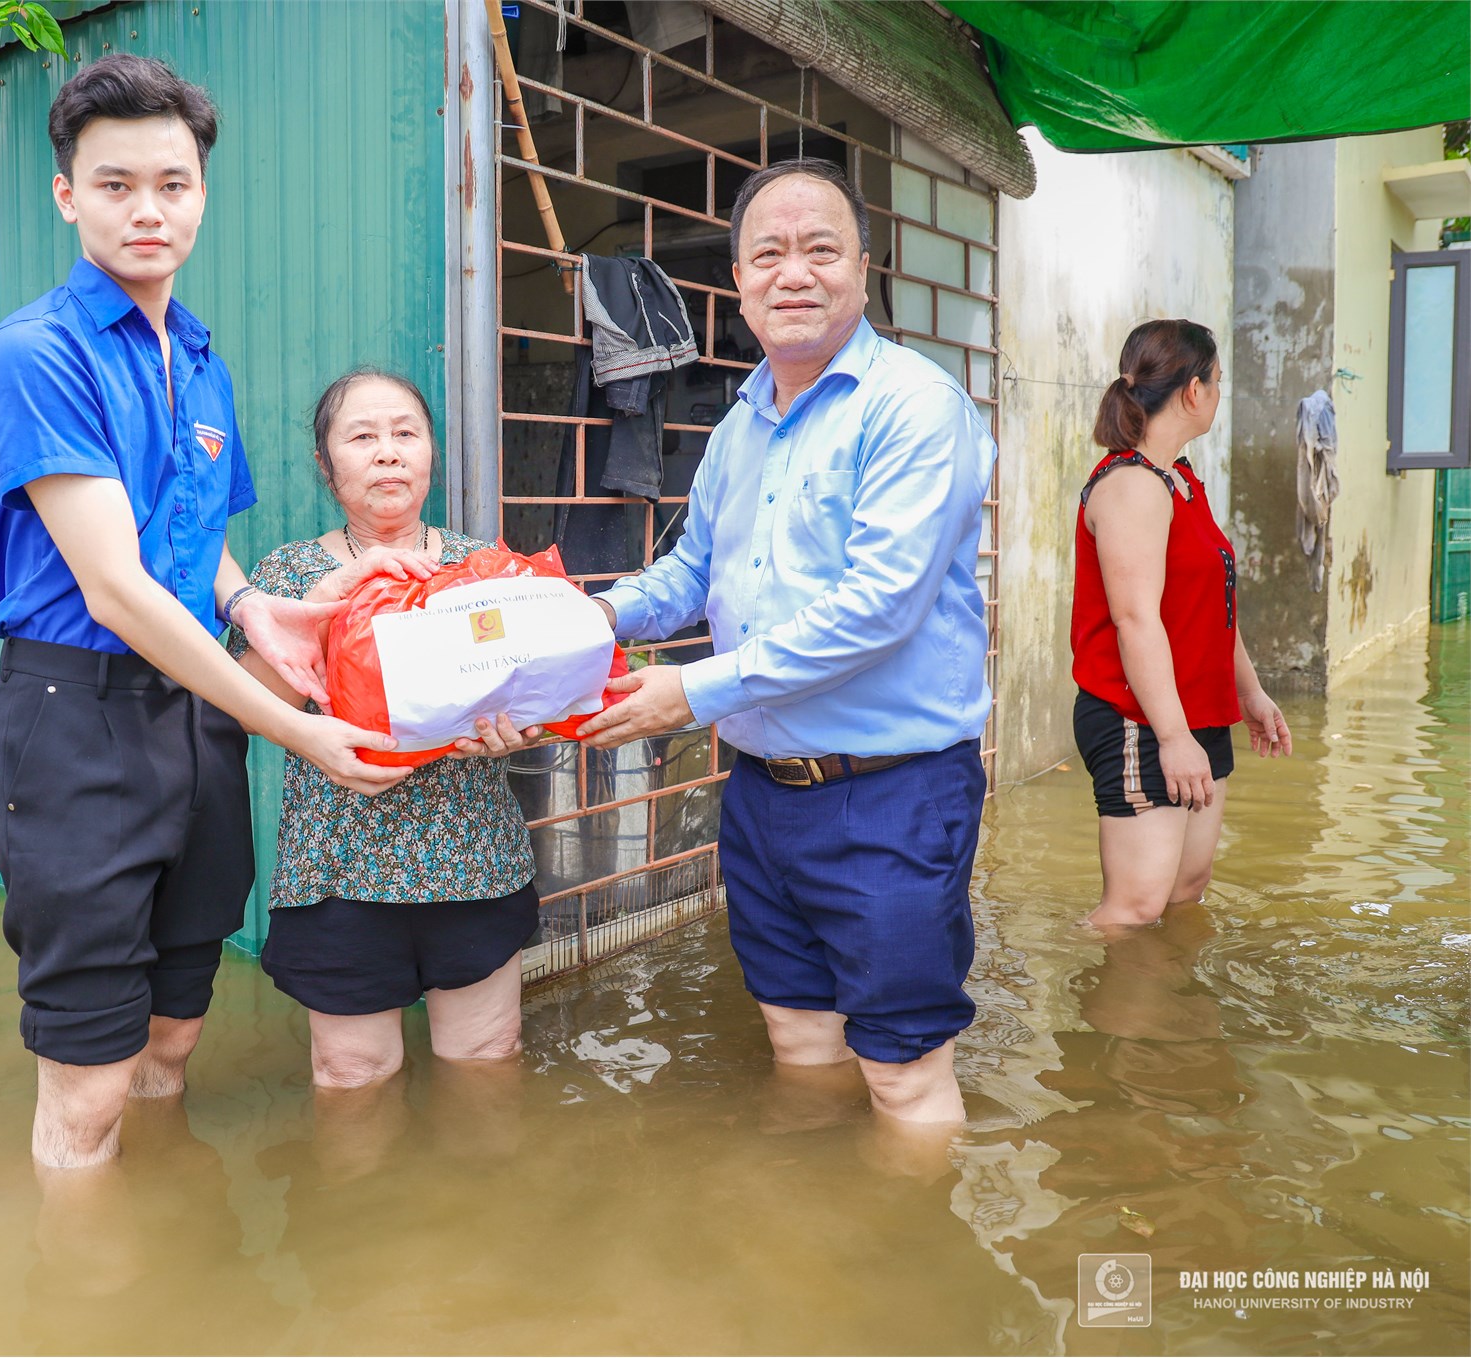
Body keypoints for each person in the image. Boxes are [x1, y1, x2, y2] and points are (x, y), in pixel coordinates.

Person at [0, 56, 409, 1171]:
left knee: (175, 1026)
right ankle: (81, 1299)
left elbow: (188, 532)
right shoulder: (40, 353)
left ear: (202, 193)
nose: (147, 209)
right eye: (114, 184)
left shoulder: (198, 357)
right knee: (89, 1079)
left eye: (172, 182)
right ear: (67, 194)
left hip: (189, 715)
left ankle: (160, 1246)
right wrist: (293, 727)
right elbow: (114, 584)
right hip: (72, 720)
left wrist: (254, 606)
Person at [577, 158, 996, 1125]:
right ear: (738, 282)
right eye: (767, 253)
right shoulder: (740, 422)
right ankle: (810, 1244)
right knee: (799, 1042)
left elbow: (876, 606)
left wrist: (689, 691)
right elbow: (691, 574)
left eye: (819, 249)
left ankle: (911, 1262)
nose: (792, 273)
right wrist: (592, 617)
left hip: (891, 790)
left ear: (863, 265)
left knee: (902, 1065)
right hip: (763, 794)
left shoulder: (916, 408)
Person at [229, 368, 545, 1088]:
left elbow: (536, 701)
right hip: (338, 872)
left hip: (472, 860)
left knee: (487, 1065)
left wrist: (523, 732)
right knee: (350, 1076)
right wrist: (314, 610)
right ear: (325, 463)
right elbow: (243, 705)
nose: (388, 452)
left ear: (430, 452)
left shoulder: (481, 568)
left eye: (406, 433)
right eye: (362, 436)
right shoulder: (290, 572)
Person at [1070, 320, 1291, 931]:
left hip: (1197, 710)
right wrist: (1171, 737)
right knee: (1133, 908)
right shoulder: (1131, 486)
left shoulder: (1181, 479)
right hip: (1140, 717)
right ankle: (1074, 1015)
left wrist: (1248, 691)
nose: (1218, 395)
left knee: (1185, 888)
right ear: (1193, 391)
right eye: (1217, 382)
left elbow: (1212, 602)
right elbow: (1136, 620)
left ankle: (1165, 1022)